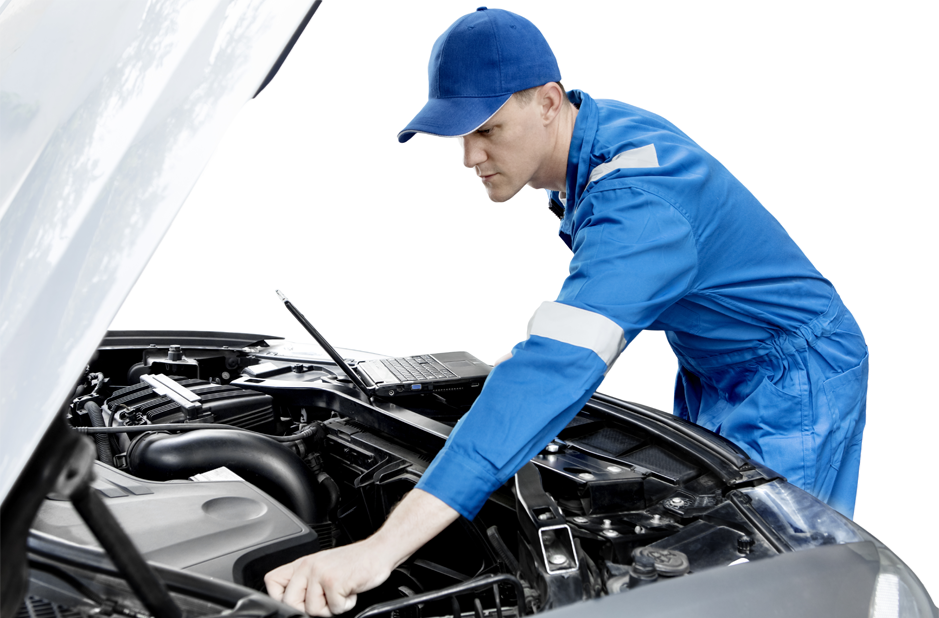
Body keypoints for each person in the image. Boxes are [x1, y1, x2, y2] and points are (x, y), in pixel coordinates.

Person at [265, 7, 869, 615]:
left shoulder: (638, 199)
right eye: (460, 135)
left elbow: (561, 361)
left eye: (490, 130)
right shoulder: (594, 138)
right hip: (718, 366)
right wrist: (514, 369)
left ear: (549, 102)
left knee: (766, 582)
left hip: (794, 377)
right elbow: (590, 307)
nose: (469, 157)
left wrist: (381, 549)